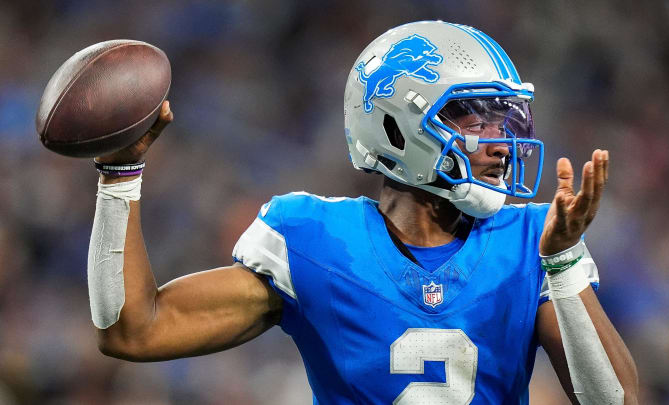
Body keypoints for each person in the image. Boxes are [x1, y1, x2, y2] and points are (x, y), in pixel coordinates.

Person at [87, 21, 639, 404]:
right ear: (395, 126)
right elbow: (133, 331)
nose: (501, 144)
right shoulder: (314, 241)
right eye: (475, 120)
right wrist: (119, 178)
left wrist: (563, 262)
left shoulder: (534, 241)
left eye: (508, 121)